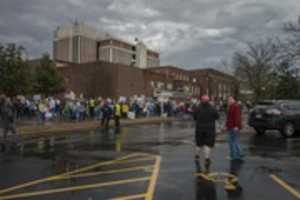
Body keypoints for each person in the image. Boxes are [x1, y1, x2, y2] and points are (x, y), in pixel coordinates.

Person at [194, 95, 219, 173]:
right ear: (208, 100)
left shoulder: (197, 108)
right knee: (207, 144)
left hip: (199, 128)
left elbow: (194, 117)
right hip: (210, 129)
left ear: (201, 100)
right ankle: (207, 158)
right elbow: (217, 117)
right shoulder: (212, 108)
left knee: (199, 143)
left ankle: (197, 155)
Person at [225, 96, 243, 161]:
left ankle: (234, 156)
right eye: (228, 100)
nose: (228, 102)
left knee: (232, 142)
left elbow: (237, 117)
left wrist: (236, 126)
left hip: (233, 127)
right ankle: (238, 154)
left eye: (229, 100)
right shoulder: (234, 106)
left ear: (232, 100)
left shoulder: (234, 107)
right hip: (232, 126)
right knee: (235, 141)